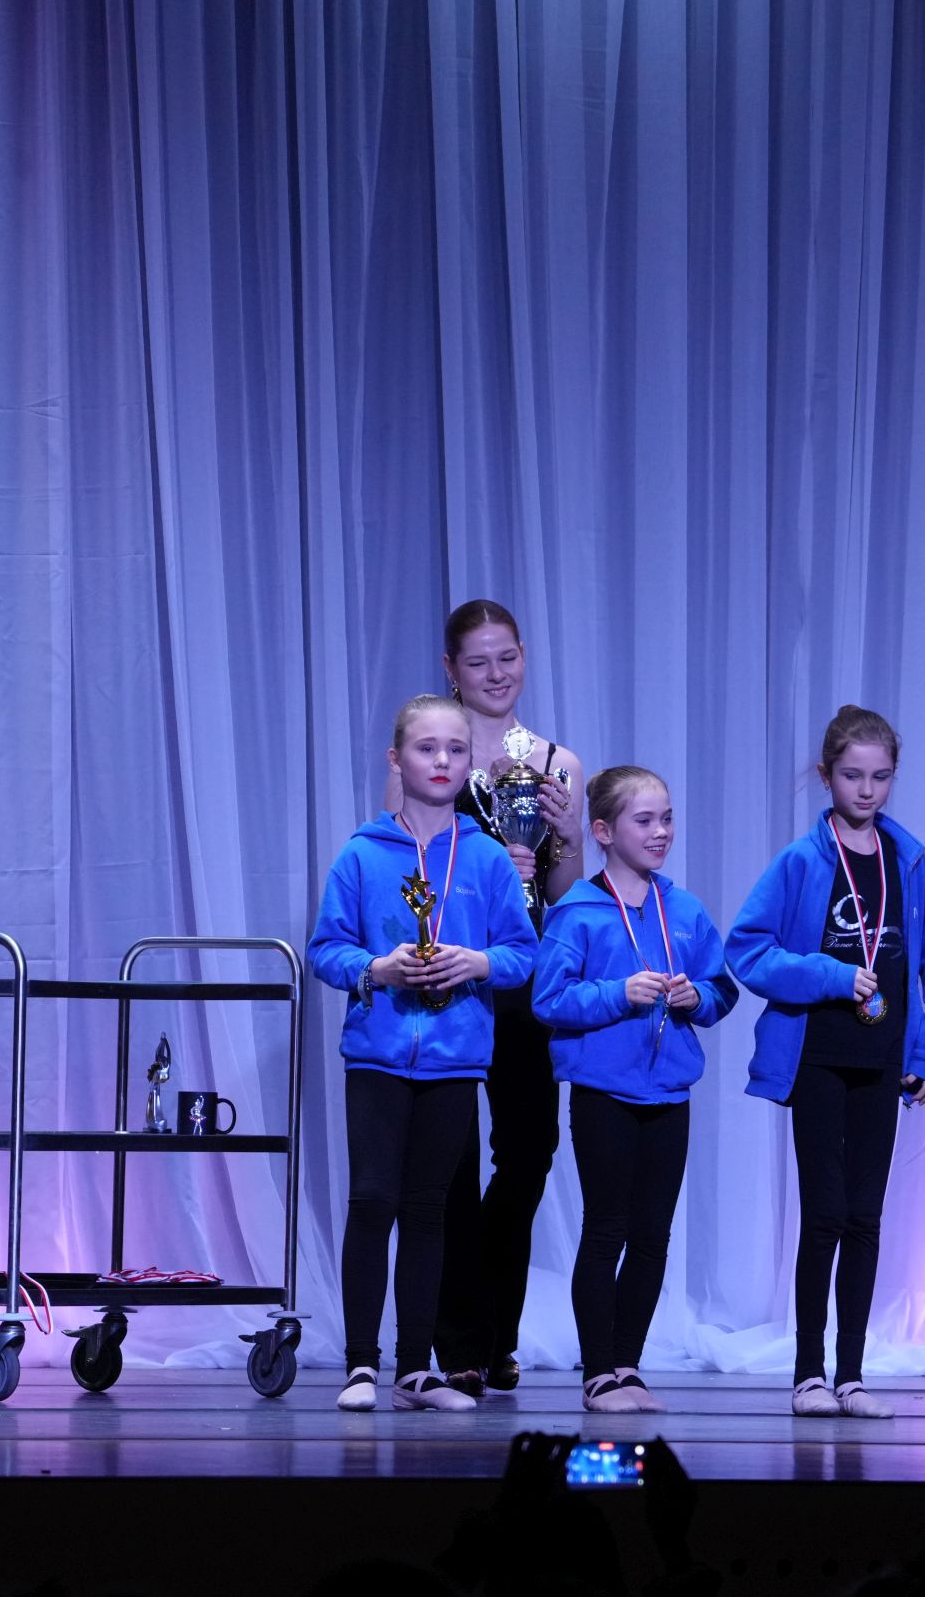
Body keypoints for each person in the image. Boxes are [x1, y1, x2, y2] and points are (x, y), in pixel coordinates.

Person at [728, 704, 925, 1419]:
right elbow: (748, 949)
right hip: (819, 1058)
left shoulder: (908, 860)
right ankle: (809, 1373)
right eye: (853, 776)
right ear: (826, 775)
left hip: (882, 1060)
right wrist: (829, 976)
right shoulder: (802, 860)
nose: (866, 790)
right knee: (825, 1212)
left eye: (880, 777)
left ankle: (852, 1374)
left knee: (865, 1215)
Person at [311, 693, 539, 1411]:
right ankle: (360, 1365)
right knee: (372, 1200)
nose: (442, 760)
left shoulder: (489, 858)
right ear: (397, 760)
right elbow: (325, 949)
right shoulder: (362, 853)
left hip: (454, 1059)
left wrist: (477, 962)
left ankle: (416, 1370)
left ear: (470, 763)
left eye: (455, 750)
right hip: (377, 1057)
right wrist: (377, 968)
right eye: (426, 748)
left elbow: (523, 953)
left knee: (429, 1210)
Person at [398, 600, 585, 1396]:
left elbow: (565, 892)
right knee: (450, 1160)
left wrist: (564, 835)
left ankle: (495, 1327)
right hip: (448, 974)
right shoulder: (433, 750)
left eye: (506, 657)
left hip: (523, 974)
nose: (496, 674)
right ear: (451, 669)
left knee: (530, 1151)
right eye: (477, 662)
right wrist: (480, 868)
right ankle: (459, 1342)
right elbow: (404, 872)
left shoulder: (555, 763)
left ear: (524, 656)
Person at [530, 766, 738, 1412]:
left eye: (666, 818)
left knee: (653, 1237)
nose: (661, 831)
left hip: (669, 1094)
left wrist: (697, 997)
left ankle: (628, 1366)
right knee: (606, 1230)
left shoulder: (685, 908)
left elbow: (721, 988)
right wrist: (617, 993)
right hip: (604, 1094)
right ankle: (598, 1373)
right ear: (602, 831)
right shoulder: (577, 912)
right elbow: (548, 999)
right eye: (644, 820)